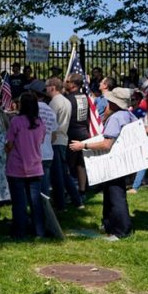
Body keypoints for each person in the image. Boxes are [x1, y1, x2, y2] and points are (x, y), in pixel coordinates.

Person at [70, 88, 137, 239]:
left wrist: (83, 146)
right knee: (111, 193)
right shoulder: (129, 115)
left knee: (116, 195)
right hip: (124, 162)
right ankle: (110, 225)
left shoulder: (116, 118)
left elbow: (107, 144)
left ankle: (122, 230)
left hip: (114, 163)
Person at [6, 93, 46, 239]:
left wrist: (7, 151)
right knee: (35, 202)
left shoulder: (16, 121)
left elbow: (9, 143)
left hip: (17, 166)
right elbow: (41, 140)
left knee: (19, 202)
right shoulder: (40, 122)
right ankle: (39, 231)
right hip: (35, 166)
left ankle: (19, 232)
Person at [46, 78, 83, 210]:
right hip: (63, 137)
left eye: (47, 87)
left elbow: (50, 122)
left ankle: (60, 204)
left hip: (55, 139)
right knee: (63, 173)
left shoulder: (54, 102)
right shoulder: (66, 100)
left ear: (52, 87)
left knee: (57, 175)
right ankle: (77, 200)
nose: (45, 89)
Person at [64, 74, 92, 194]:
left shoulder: (68, 99)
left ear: (73, 85)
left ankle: (71, 192)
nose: (65, 82)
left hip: (71, 134)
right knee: (81, 163)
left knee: (69, 164)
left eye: (68, 81)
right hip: (84, 133)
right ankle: (82, 189)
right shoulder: (86, 97)